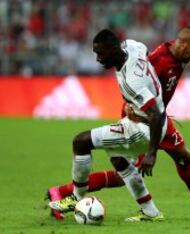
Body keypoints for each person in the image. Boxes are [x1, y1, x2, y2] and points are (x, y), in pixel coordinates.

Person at [47, 22, 190, 220]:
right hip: (144, 120)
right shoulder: (158, 61)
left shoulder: (170, 48)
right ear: (182, 44)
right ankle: (66, 192)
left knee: (184, 157)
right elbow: (137, 84)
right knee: (121, 172)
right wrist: (130, 108)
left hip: (157, 117)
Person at [49, 29, 169, 222]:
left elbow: (154, 114)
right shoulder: (132, 45)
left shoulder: (132, 82)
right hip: (147, 122)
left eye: (100, 53)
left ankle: (75, 198)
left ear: (114, 49)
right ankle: (150, 211)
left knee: (81, 142)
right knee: (118, 159)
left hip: (145, 129)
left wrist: (151, 153)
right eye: (96, 53)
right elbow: (146, 54)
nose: (97, 59)